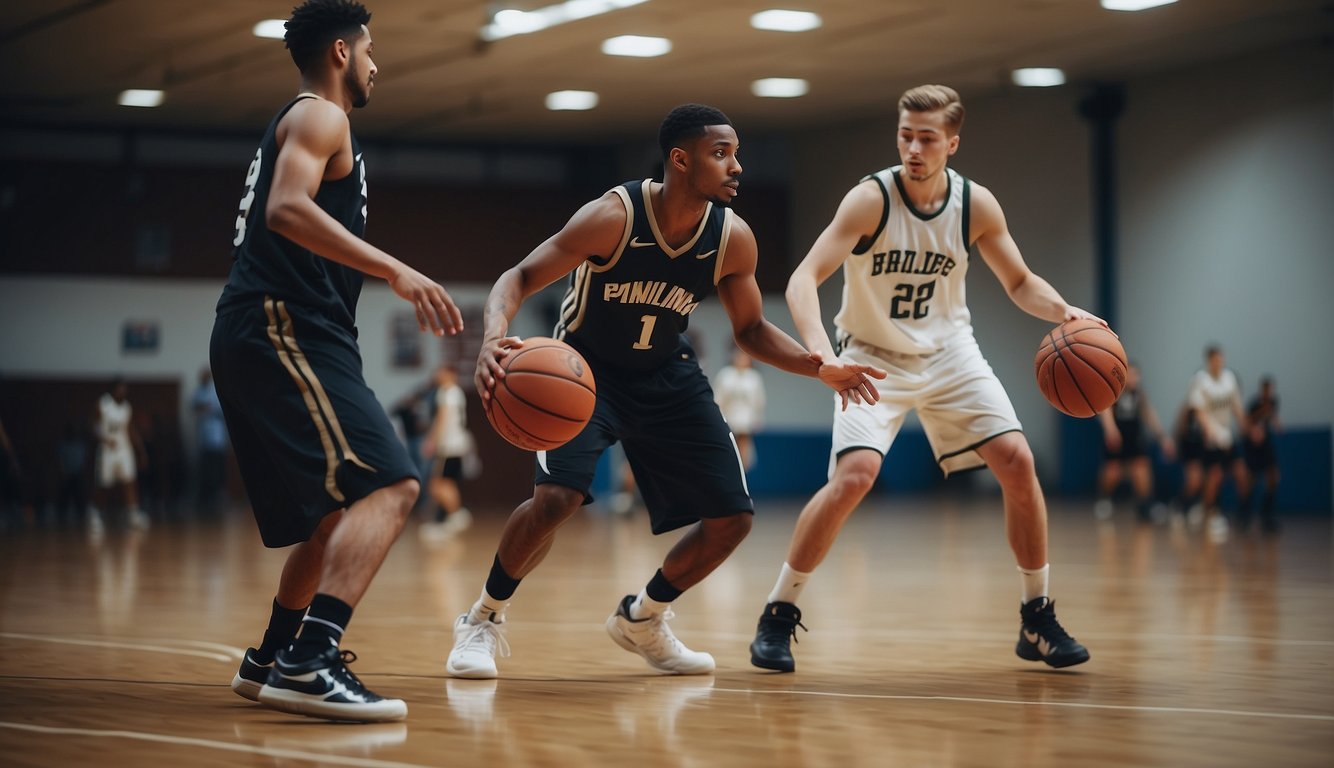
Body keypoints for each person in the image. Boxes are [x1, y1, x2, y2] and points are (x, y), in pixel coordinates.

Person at [445, 104, 884, 679]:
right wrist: (492, 339)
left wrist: (817, 365)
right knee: (557, 500)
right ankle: (482, 617)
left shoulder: (732, 238)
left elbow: (749, 330)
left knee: (733, 518)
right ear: (681, 159)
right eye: (721, 154)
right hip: (585, 371)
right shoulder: (613, 216)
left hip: (667, 376)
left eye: (737, 154)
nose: (737, 167)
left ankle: (643, 617)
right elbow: (519, 277)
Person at [749, 84, 1099, 673]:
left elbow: (1019, 281)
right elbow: (803, 279)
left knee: (1018, 461)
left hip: (950, 353)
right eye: (905, 135)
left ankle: (1036, 616)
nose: (913, 147)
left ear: (952, 144)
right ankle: (777, 615)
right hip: (871, 353)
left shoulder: (975, 204)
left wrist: (1063, 310)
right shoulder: (870, 199)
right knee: (854, 477)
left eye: (927, 138)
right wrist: (819, 355)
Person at [210, 0, 462, 723]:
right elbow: (285, 208)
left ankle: (270, 658)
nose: (379, 63)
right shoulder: (322, 116)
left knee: (331, 518)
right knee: (392, 487)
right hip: (282, 322)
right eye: (372, 49)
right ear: (343, 53)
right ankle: (311, 660)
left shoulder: (307, 121)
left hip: (274, 327)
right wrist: (396, 271)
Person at [1094, 362, 1174, 523]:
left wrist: (1163, 437)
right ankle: (1104, 499)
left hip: (1134, 437)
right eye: (1129, 374)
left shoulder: (1139, 394)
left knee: (1142, 470)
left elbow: (1148, 414)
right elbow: (1105, 410)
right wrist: (1110, 429)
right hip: (1117, 437)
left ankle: (1145, 506)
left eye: (1135, 375)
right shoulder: (1114, 390)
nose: (1132, 378)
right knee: (1112, 472)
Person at [1185, 345, 1249, 542]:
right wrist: (1213, 433)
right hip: (1212, 437)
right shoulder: (1200, 381)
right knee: (1215, 476)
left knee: (1241, 473)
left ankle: (1243, 513)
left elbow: (1236, 406)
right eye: (1215, 359)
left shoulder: (1229, 378)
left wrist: (1246, 426)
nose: (1218, 363)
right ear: (1208, 361)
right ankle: (1212, 514)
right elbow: (1199, 412)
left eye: (1221, 359)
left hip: (1228, 434)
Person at [88, 379, 150, 536]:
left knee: (129, 481)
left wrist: (140, 450)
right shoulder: (103, 404)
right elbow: (93, 426)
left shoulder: (126, 408)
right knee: (103, 484)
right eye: (121, 388)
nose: (123, 391)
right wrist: (104, 438)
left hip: (124, 450)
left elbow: (130, 430)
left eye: (125, 389)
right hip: (107, 449)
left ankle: (132, 515)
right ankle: (95, 514)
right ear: (114, 389)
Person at [419, 365, 474, 541]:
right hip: (457, 444)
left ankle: (457, 514)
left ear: (451, 374)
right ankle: (448, 521)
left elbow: (442, 419)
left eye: (442, 371)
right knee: (446, 483)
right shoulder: (456, 392)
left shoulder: (447, 392)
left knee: (436, 485)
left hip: (448, 446)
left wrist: (431, 442)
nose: (438, 374)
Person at [714, 348, 766, 470]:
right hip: (727, 419)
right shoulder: (725, 374)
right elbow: (718, 397)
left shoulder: (754, 377)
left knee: (744, 448)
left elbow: (759, 400)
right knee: (728, 447)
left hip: (745, 421)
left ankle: (743, 473)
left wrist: (758, 418)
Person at [1240, 375, 1280, 534]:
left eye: (1270, 389)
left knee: (1273, 477)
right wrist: (1259, 415)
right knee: (1251, 480)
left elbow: (1273, 418)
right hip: (1252, 447)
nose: (1268, 392)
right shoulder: (1254, 403)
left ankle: (1266, 514)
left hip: (1266, 446)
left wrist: (1276, 423)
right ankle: (1245, 514)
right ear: (1261, 389)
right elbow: (1248, 421)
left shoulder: (1274, 402)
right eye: (1266, 389)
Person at [191, 367, 229, 513]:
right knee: (206, 470)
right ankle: (206, 500)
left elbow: (219, 409)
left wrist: (207, 409)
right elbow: (194, 408)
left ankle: (219, 497)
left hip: (218, 439)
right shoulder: (198, 392)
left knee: (218, 469)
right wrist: (203, 409)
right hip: (204, 440)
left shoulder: (215, 390)